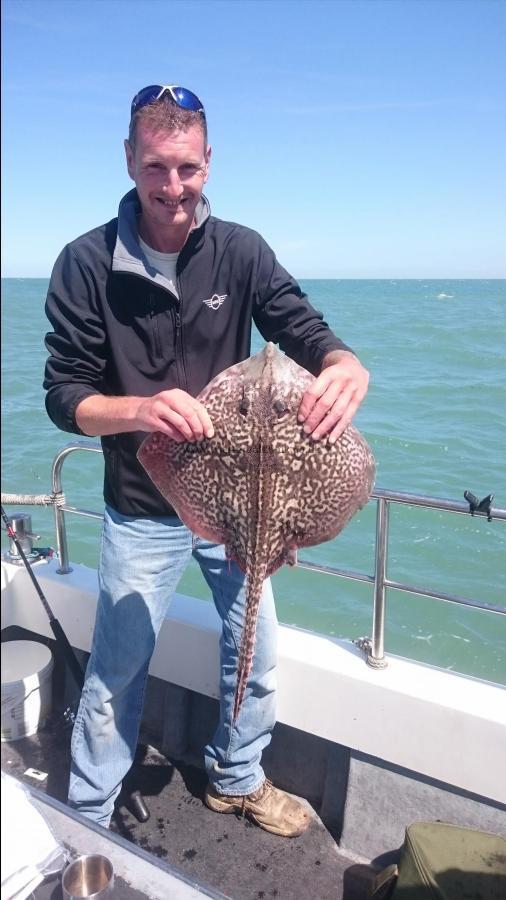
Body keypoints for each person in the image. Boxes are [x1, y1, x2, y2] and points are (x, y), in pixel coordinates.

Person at [43, 83, 369, 838]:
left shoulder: (241, 251)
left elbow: (298, 323)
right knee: (116, 671)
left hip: (242, 511)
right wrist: (140, 410)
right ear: (130, 160)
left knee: (257, 651)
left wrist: (343, 362)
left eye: (186, 168)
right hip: (141, 504)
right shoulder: (85, 264)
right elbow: (66, 396)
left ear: (209, 162)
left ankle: (237, 775)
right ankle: (87, 816)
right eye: (156, 167)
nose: (172, 186)